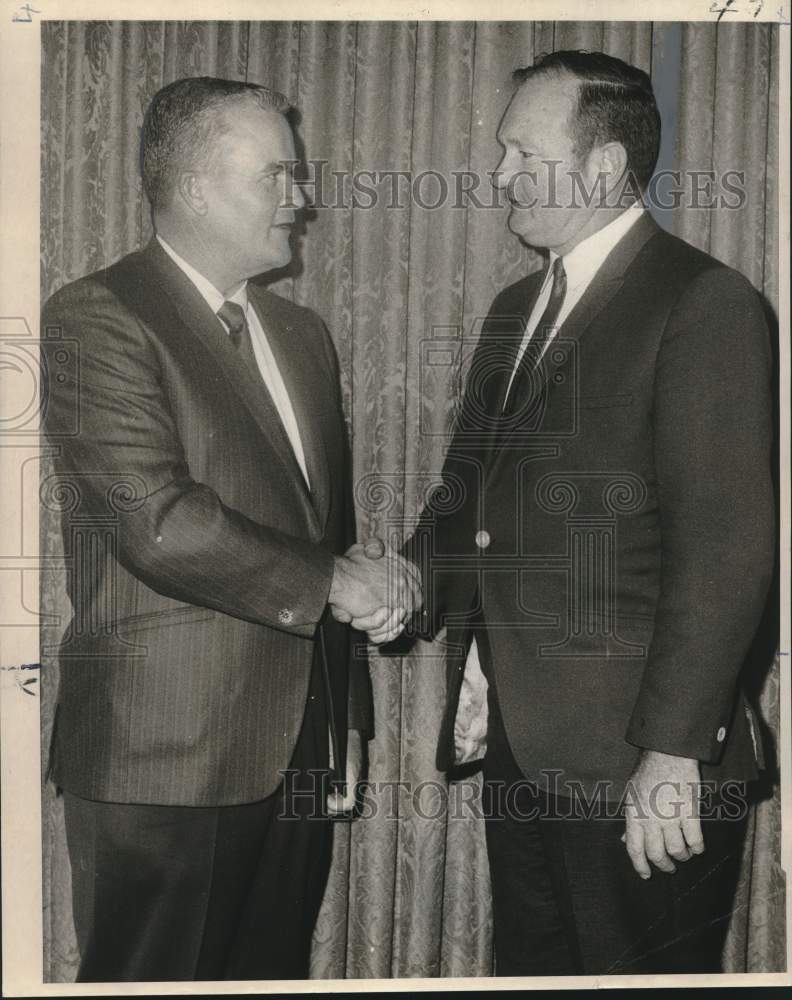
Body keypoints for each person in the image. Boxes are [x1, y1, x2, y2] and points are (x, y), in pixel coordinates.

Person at [357, 51, 774, 974]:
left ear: (601, 168)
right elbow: (469, 498)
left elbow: (728, 551)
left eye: (519, 152)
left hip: (642, 765)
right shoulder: (514, 310)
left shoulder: (704, 303)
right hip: (524, 749)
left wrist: (671, 759)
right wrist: (402, 582)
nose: (499, 175)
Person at [41, 76, 419, 982]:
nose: (302, 199)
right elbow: (157, 523)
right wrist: (339, 584)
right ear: (196, 188)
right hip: (162, 761)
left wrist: (345, 717)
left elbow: (332, 532)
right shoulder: (98, 317)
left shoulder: (301, 333)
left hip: (297, 753)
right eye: (277, 175)